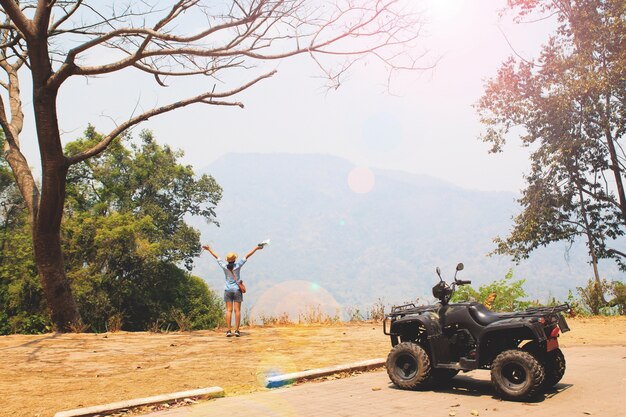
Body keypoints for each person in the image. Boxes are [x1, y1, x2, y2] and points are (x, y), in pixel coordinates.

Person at [202, 243, 263, 337]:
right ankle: (237, 331)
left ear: (228, 260)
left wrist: (209, 249)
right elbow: (247, 256)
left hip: (228, 290)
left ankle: (228, 331)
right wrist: (256, 248)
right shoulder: (238, 266)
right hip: (237, 290)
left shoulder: (224, 266)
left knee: (228, 311)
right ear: (234, 259)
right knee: (237, 311)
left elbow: (217, 257)